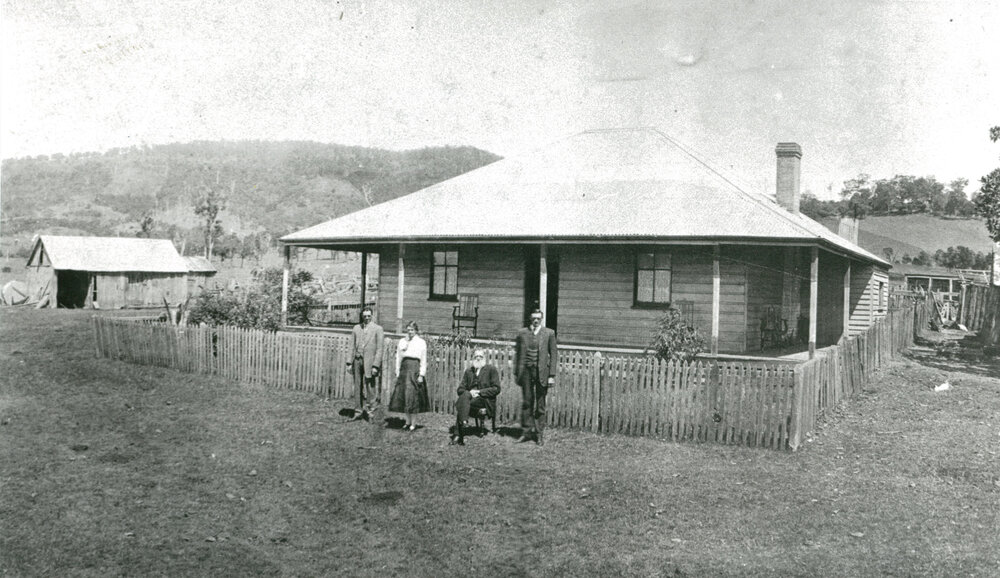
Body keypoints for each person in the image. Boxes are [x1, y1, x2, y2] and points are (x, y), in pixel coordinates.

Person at [514, 309, 557, 445]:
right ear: (530, 318)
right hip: (526, 372)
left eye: (538, 318)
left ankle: (539, 434)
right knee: (527, 402)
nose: (536, 320)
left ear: (542, 319)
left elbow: (554, 355)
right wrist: (517, 373)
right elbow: (518, 354)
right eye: (534, 318)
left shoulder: (549, 333)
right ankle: (526, 432)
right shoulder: (522, 333)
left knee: (540, 404)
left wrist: (551, 375)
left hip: (541, 373)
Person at [451, 348, 501, 446]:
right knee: (465, 397)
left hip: (484, 400)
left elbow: (496, 389)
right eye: (476, 356)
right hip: (470, 398)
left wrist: (479, 392)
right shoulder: (469, 371)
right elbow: (460, 389)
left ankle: (458, 433)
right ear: (473, 358)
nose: (478, 358)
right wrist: (470, 392)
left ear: (484, 358)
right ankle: (463, 424)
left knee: (462, 401)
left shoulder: (491, 370)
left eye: (480, 356)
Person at [388, 321, 430, 430]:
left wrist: (421, 374)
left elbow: (424, 360)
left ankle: (413, 423)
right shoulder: (402, 341)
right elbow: (399, 357)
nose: (410, 332)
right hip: (404, 370)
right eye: (408, 330)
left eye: (412, 330)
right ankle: (407, 421)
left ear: (416, 330)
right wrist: (397, 371)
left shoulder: (421, 342)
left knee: (413, 397)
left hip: (414, 370)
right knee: (404, 396)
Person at [346, 306, 384, 421]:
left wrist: (375, 365)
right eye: (364, 316)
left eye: (369, 316)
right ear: (362, 316)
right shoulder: (356, 328)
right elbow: (351, 346)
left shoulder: (378, 329)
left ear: (372, 316)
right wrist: (349, 362)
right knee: (357, 386)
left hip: (370, 362)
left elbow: (379, 349)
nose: (366, 318)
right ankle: (358, 411)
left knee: (370, 387)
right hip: (357, 360)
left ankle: (370, 412)